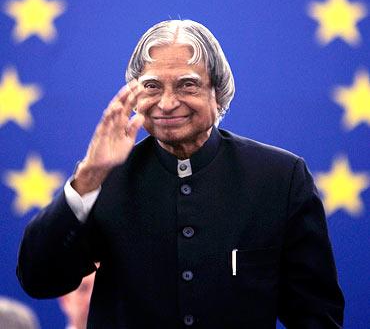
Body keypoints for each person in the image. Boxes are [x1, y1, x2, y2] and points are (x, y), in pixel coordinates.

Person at [17, 20, 344, 328]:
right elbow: (39, 279)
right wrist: (89, 175)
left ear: (218, 93)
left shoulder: (279, 178)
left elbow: (316, 316)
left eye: (187, 85)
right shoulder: (103, 179)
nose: (168, 102)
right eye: (152, 87)